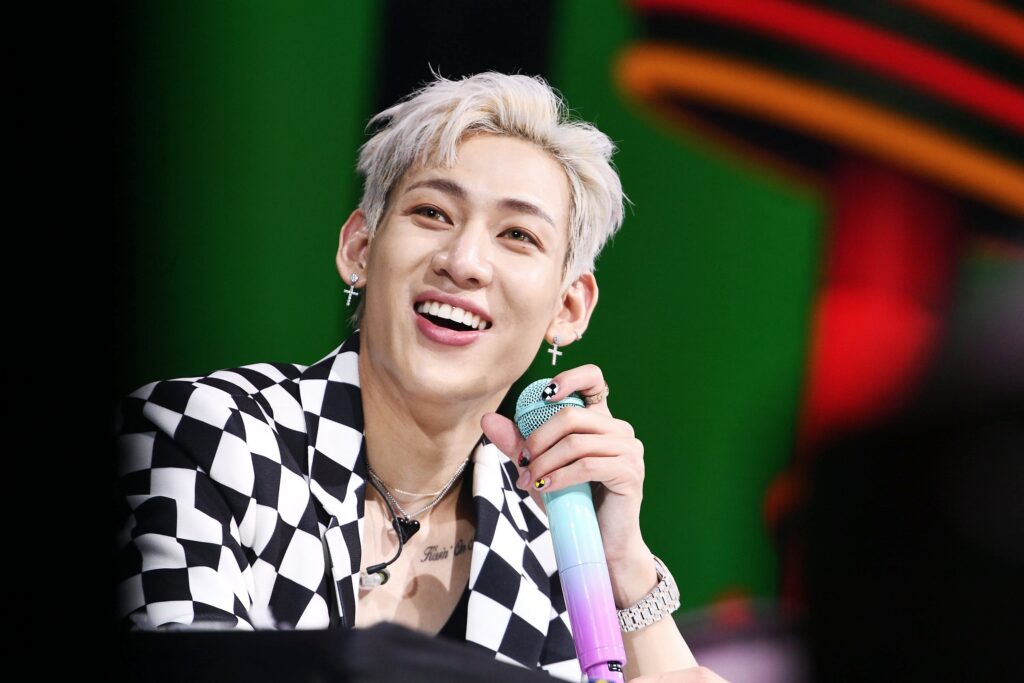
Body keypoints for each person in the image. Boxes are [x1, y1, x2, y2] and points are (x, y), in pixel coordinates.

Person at [112, 71, 726, 683]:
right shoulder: (202, 438)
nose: (463, 262)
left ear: (567, 308)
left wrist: (621, 567)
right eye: (432, 213)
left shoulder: (552, 549)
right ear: (359, 249)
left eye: (518, 235)